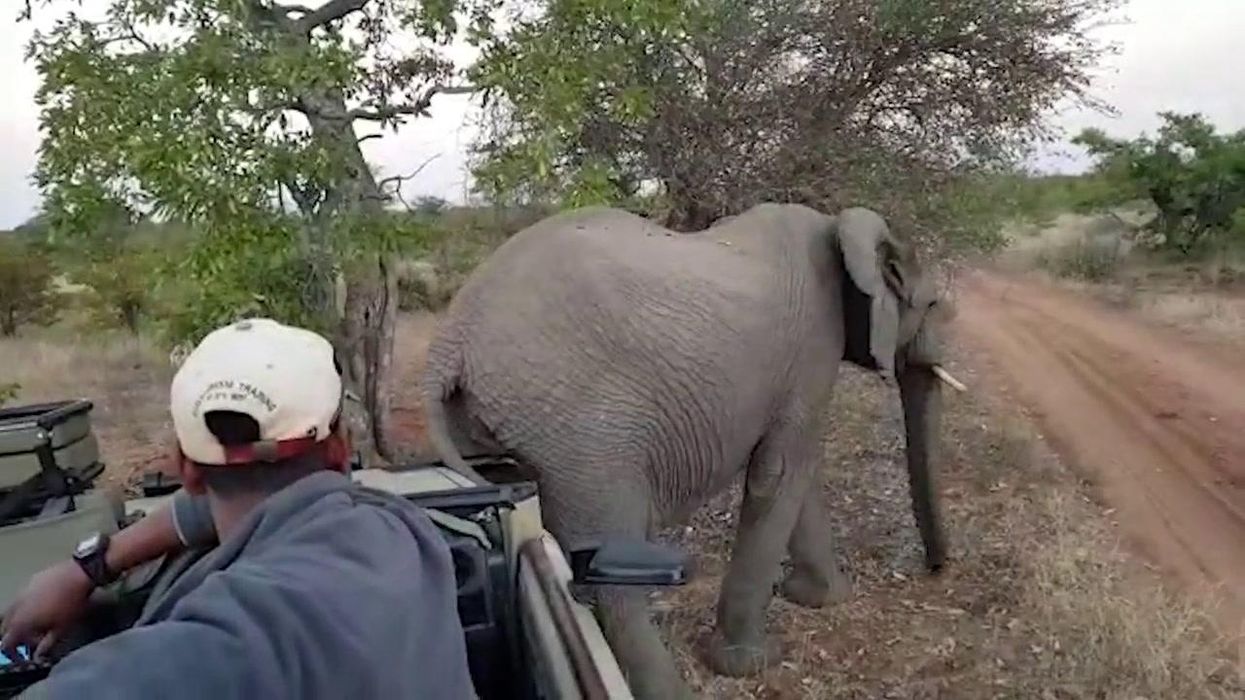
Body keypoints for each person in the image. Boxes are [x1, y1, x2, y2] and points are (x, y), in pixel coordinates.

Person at [0, 318, 476, 699]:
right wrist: (91, 566)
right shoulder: (403, 532)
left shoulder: (214, 650)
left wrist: (87, 569)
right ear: (339, 447)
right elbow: (238, 506)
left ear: (184, 468)